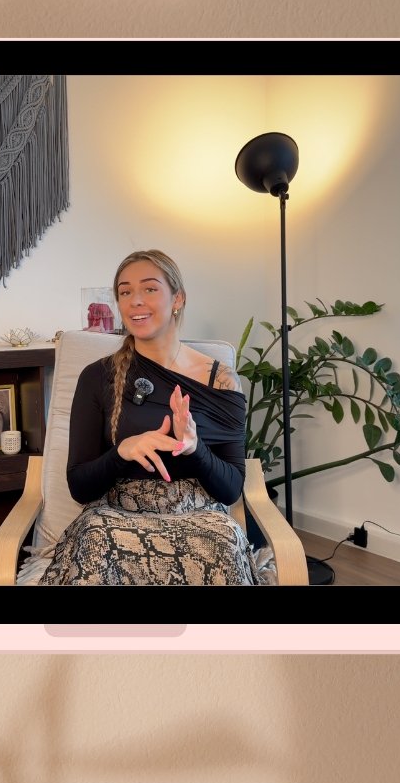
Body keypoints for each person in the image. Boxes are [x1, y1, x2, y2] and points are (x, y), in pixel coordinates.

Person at [39, 249, 254, 585]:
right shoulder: (97, 377)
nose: (135, 301)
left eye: (150, 289)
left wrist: (195, 449)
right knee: (95, 535)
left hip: (197, 518)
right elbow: (80, 486)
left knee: (223, 539)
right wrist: (122, 452)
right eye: (125, 292)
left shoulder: (221, 380)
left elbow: (230, 490)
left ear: (177, 298)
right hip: (115, 517)